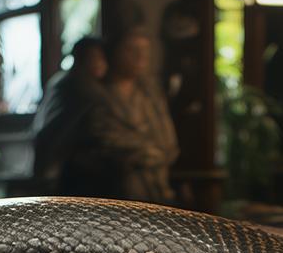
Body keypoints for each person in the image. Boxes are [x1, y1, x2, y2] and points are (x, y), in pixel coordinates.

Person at [74, 28, 179, 204]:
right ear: (113, 53)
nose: (141, 56)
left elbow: (168, 143)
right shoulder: (95, 96)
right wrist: (142, 152)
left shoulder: (150, 94)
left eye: (145, 50)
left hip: (158, 193)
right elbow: (105, 142)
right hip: (114, 198)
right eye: (131, 49)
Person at [32, 37, 108, 194]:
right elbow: (59, 129)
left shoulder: (62, 80)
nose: (100, 63)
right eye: (94, 58)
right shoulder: (79, 86)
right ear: (81, 59)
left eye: (102, 58)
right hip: (70, 167)